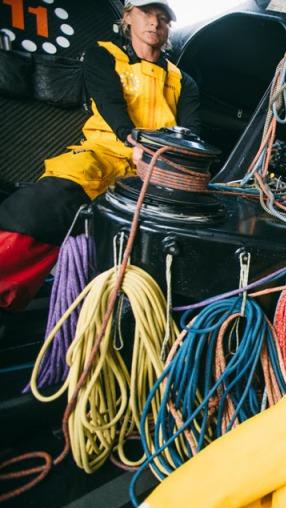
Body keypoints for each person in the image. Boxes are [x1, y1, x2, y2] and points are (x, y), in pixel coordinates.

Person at [0, 0, 200, 312]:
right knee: (38, 207)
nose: (154, 23)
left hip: (156, 167)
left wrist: (167, 162)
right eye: (147, 14)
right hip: (102, 153)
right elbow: (109, 104)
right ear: (128, 16)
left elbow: (190, 132)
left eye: (163, 18)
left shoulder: (183, 80)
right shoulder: (104, 54)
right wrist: (131, 140)